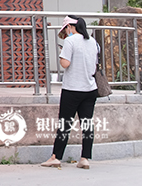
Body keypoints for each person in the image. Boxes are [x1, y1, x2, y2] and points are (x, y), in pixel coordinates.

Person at [41, 16, 99, 170]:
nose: (66, 31)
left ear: (71, 27)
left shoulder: (70, 41)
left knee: (65, 124)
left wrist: (63, 55)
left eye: (66, 28)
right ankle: (85, 158)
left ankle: (56, 157)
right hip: (90, 89)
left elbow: (65, 63)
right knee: (87, 124)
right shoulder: (92, 41)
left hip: (72, 89)